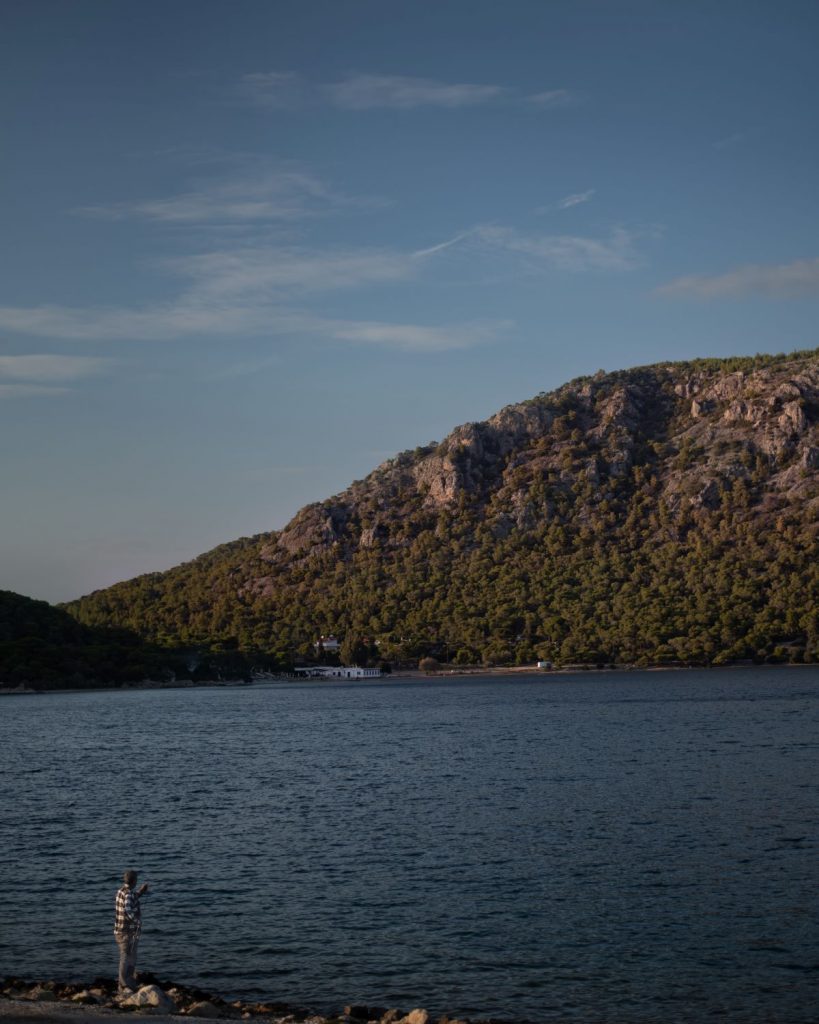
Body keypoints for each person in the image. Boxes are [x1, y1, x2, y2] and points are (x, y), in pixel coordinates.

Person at [114, 869, 149, 994]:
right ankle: (123, 985)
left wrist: (141, 892)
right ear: (134, 881)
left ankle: (128, 982)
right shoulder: (128, 894)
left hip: (120, 930)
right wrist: (137, 921)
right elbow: (129, 910)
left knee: (130, 956)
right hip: (126, 932)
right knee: (126, 957)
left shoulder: (121, 891)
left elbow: (130, 898)